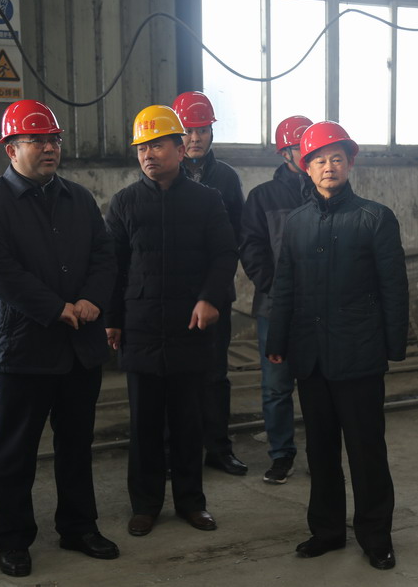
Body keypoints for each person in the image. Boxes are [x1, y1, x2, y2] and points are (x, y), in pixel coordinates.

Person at [0, 100, 119, 577]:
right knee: (16, 451)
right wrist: (56, 308)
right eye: (37, 140)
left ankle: (78, 526)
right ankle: (13, 539)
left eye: (54, 140)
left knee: (76, 445)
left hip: (79, 348)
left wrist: (92, 298)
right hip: (24, 350)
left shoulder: (79, 199)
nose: (50, 147)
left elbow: (104, 255)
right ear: (11, 148)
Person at [265, 121, 409, 570]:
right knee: (320, 450)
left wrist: (392, 345)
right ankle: (326, 531)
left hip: (358, 354)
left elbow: (393, 286)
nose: (328, 167)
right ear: (305, 168)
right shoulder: (297, 223)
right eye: (319, 160)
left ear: (349, 163)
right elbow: (284, 285)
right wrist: (278, 339)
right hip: (310, 357)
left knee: (367, 451)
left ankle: (375, 537)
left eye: (336, 158)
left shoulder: (375, 218)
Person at [104, 104, 238, 537]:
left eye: (158, 145)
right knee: (144, 424)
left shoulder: (207, 200)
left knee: (187, 421)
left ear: (180, 150)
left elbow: (225, 254)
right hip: (141, 327)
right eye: (142, 147)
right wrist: (112, 319)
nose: (148, 154)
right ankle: (145, 505)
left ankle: (191, 503)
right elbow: (113, 267)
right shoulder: (124, 203)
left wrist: (210, 298)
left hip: (189, 327)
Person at [172, 90, 247, 476]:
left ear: (211, 133)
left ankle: (218, 448)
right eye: (187, 131)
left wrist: (215, 289)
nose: (195, 138)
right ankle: (178, 453)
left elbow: (237, 236)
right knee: (175, 375)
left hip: (215, 293)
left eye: (201, 130)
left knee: (215, 374)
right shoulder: (164, 172)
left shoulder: (227, 178)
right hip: (174, 294)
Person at [239, 115, 312, 484]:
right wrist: (275, 288)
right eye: (301, 147)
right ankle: (281, 455)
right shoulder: (262, 197)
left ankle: (321, 452)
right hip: (274, 308)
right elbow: (251, 249)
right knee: (276, 386)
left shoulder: (326, 190)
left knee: (319, 384)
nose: (310, 153)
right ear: (285, 153)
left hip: (319, 309)